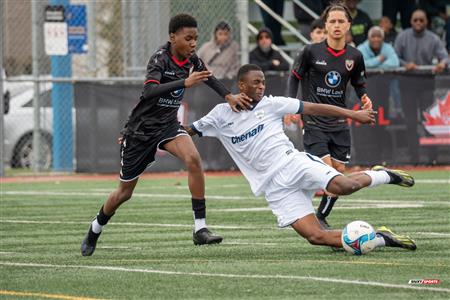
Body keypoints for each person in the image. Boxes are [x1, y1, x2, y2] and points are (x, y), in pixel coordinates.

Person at [185, 64, 416, 252]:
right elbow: (188, 131)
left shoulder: (273, 104)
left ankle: (384, 174)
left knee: (344, 185)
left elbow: (315, 108)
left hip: (293, 163)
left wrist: (354, 114)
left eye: (263, 81)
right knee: (317, 237)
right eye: (256, 82)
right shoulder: (219, 114)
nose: (261, 86)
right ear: (241, 85)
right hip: (274, 188)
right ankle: (382, 238)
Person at [80, 14, 253, 256]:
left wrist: (228, 96)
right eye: (188, 38)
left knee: (194, 159)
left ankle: (200, 229)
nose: (193, 43)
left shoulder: (192, 59)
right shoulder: (159, 59)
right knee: (124, 193)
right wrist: (184, 83)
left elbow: (208, 77)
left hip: (168, 126)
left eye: (196, 38)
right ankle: (95, 228)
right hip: (140, 131)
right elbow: (150, 90)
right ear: (173, 37)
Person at [287, 3, 373, 229]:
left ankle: (321, 216)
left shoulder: (355, 56)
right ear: (325, 25)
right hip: (314, 122)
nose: (336, 25)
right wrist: (290, 106)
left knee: (339, 174)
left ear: (349, 26)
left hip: (340, 125)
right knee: (327, 173)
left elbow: (359, 83)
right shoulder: (310, 52)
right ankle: (303, 205)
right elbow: (294, 77)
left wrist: (364, 97)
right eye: (332, 21)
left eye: (341, 21)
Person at [394, 9, 448, 73]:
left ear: (426, 21)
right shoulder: (402, 36)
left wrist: (442, 64)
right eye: (415, 20)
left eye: (421, 20)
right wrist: (405, 64)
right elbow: (395, 57)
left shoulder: (434, 38)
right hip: (406, 76)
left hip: (427, 77)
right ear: (411, 21)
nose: (418, 22)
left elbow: (445, 57)